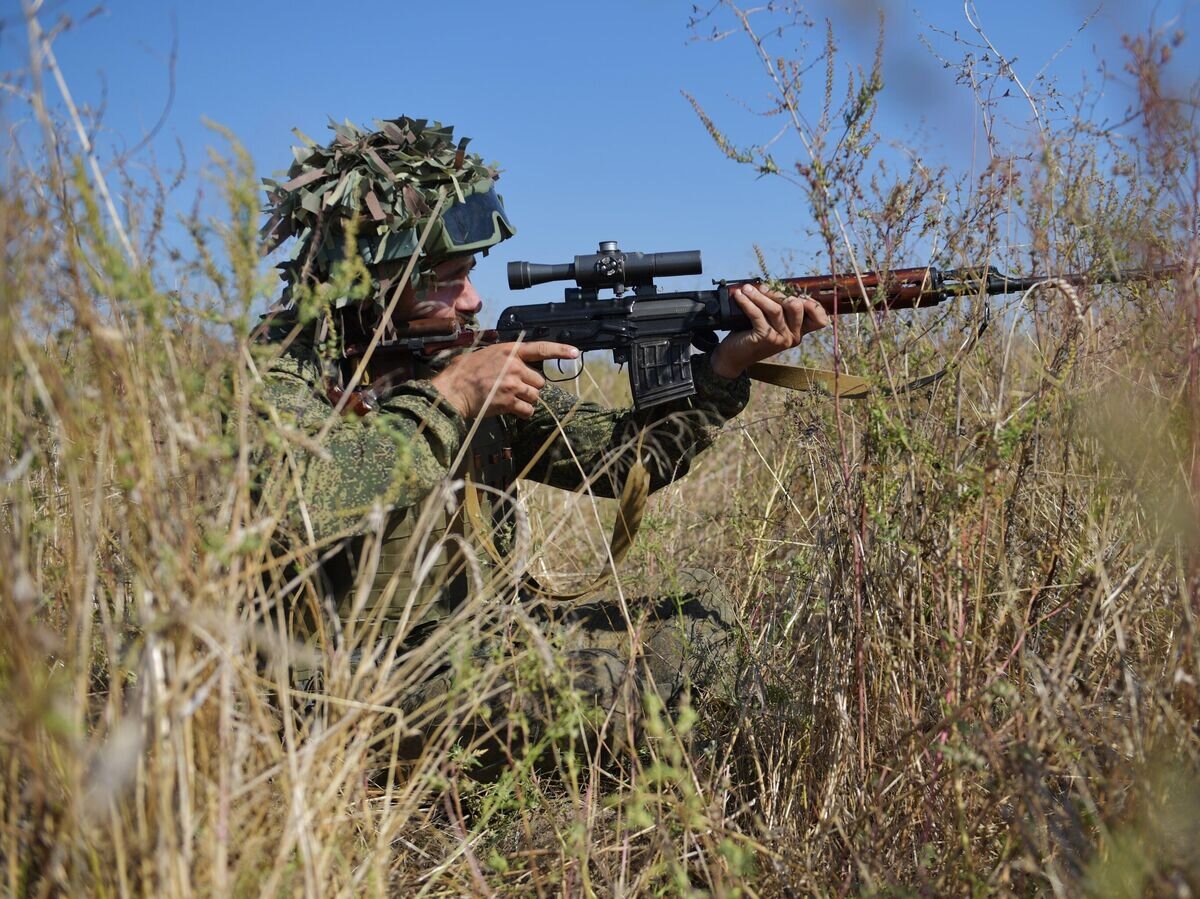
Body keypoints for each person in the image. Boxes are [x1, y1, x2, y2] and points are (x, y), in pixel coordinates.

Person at [251, 116, 827, 768]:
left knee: (700, 613)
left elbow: (619, 464)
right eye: (447, 278)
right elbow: (304, 502)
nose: (473, 299)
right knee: (629, 691)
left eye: (470, 273)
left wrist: (722, 368)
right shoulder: (279, 373)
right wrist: (448, 399)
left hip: (483, 639)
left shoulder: (450, 358)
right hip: (353, 680)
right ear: (370, 278)